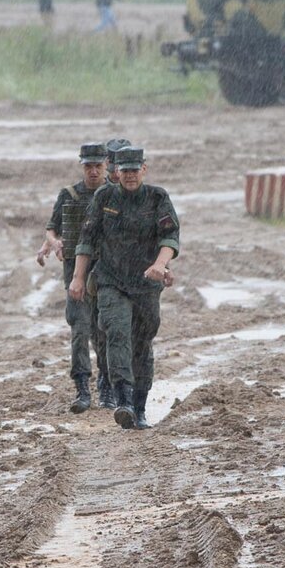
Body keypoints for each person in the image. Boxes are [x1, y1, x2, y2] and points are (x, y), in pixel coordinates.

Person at [70, 146, 179, 430]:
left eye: (134, 170)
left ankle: (140, 407)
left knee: (142, 342)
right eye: (124, 170)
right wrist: (78, 278)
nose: (129, 175)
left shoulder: (158, 198)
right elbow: (87, 239)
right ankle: (124, 401)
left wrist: (160, 264)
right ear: (116, 172)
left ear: (144, 169)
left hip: (145, 283)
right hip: (111, 280)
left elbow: (170, 237)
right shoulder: (104, 197)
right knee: (116, 332)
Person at [38, 142, 110, 413]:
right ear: (82, 166)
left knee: (103, 331)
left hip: (105, 274)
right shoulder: (68, 195)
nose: (93, 171)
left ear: (106, 166)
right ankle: (82, 387)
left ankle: (106, 383)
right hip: (74, 275)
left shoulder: (113, 195)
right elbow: (51, 228)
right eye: (88, 166)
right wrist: (54, 243)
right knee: (79, 330)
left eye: (98, 166)